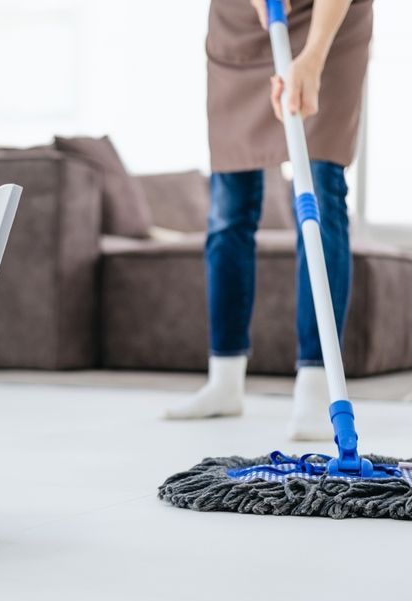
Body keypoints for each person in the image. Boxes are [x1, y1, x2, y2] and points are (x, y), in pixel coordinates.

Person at [166, 0, 373, 439]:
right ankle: (224, 381)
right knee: (228, 208)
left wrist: (313, 57)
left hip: (327, 25)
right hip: (240, 28)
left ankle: (316, 389)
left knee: (320, 192)